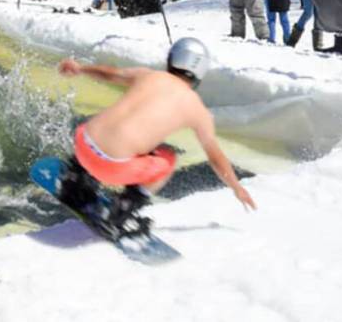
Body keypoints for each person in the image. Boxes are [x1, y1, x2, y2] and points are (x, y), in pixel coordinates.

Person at [57, 38, 256, 225]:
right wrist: (236, 187)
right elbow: (215, 156)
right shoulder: (196, 109)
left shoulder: (147, 75)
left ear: (171, 60)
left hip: (82, 144)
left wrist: (80, 68)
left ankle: (75, 177)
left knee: (110, 128)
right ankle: (124, 207)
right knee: (167, 159)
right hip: (111, 167)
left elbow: (110, 73)